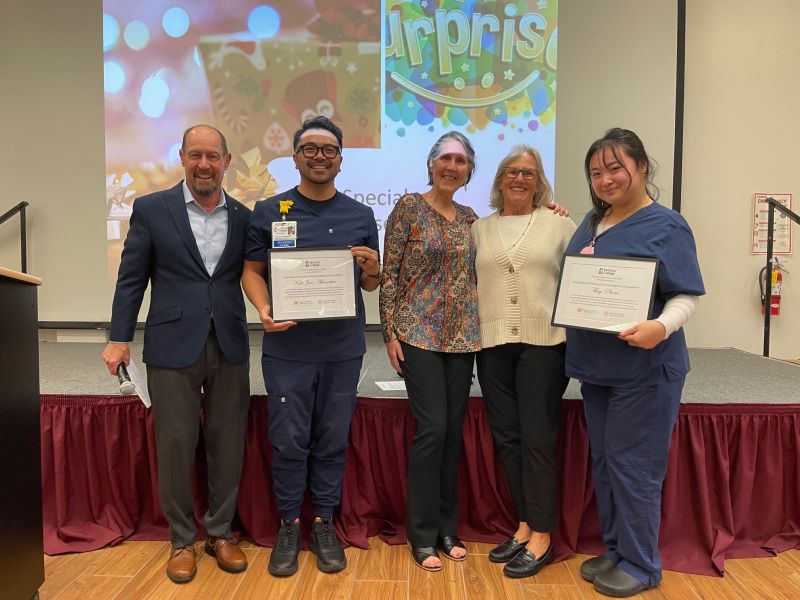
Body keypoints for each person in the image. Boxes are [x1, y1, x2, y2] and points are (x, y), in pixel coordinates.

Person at [101, 125, 252, 584]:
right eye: (196, 155)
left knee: (228, 443)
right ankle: (182, 540)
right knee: (174, 445)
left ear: (227, 162)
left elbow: (260, 273)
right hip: (171, 346)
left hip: (229, 342)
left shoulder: (245, 216)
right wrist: (118, 337)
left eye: (213, 156)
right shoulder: (152, 209)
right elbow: (131, 278)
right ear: (182, 158)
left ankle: (220, 533)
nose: (204, 165)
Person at [565, 128, 704, 597]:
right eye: (595, 172)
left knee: (634, 467)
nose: (605, 179)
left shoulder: (667, 225)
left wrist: (660, 327)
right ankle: (617, 551)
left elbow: (685, 295)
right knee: (606, 463)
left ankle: (642, 566)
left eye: (615, 168)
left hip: (645, 371)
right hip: (597, 368)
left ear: (642, 167)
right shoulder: (592, 221)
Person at [241, 116, 380, 577]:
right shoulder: (269, 210)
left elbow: (371, 283)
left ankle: (323, 523)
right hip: (288, 350)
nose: (320, 156)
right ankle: (288, 524)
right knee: (288, 439)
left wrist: (372, 269)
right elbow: (252, 272)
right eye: (310, 149)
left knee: (332, 438)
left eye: (328, 150)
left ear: (340, 159)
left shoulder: (360, 215)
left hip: (342, 349)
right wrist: (263, 309)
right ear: (296, 157)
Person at [472, 145, 576, 578]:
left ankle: (543, 535)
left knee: (536, 439)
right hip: (492, 345)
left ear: (539, 183)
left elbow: (579, 281)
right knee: (508, 439)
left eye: (528, 173)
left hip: (544, 344)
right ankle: (524, 525)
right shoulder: (479, 229)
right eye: (511, 172)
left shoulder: (560, 224)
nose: (519, 178)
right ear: (499, 180)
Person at [379, 131, 481, 572]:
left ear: (469, 171)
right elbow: (390, 273)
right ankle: (420, 533)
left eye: (461, 161)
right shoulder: (408, 208)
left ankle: (446, 528)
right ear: (431, 164)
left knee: (452, 432)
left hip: (463, 337)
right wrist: (389, 333)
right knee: (433, 429)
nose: (452, 167)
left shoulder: (472, 219)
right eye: (446, 158)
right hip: (416, 333)